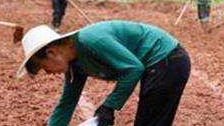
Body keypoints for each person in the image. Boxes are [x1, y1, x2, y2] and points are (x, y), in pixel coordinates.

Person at [17, 21, 191, 126]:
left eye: (44, 67)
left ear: (52, 52)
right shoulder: (75, 65)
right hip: (156, 66)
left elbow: (133, 69)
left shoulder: (90, 40)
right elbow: (67, 103)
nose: (48, 73)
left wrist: (109, 106)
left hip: (167, 59)